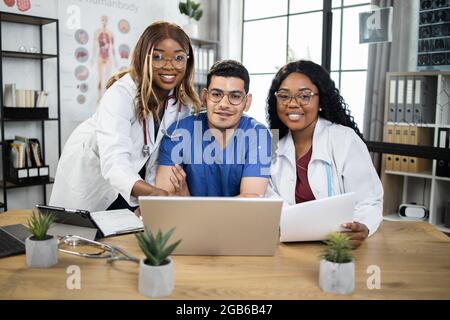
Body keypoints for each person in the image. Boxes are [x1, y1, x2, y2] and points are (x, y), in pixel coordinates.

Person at [50, 21, 201, 213]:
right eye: (158, 57)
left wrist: (151, 198)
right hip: (93, 173)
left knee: (125, 233)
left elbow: (156, 158)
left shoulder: (180, 106)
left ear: (187, 62)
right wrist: (153, 194)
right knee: (83, 233)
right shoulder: (121, 94)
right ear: (143, 57)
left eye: (179, 57)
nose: (169, 65)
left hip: (133, 176)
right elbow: (114, 162)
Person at [266, 60, 383, 248]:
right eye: (284, 96)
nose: (292, 104)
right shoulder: (270, 142)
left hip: (338, 247)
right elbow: (267, 197)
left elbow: (369, 201)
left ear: (321, 101)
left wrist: (363, 227)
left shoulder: (344, 140)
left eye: (304, 96)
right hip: (288, 247)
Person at [155, 60, 271, 197]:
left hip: (237, 219)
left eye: (235, 96)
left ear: (247, 102)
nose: (224, 104)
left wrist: (188, 199)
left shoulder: (259, 135)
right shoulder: (177, 132)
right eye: (216, 94)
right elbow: (165, 197)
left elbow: (251, 200)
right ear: (205, 97)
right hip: (188, 219)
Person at [92, 15, 118, 100]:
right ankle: (99, 97)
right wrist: (92, 58)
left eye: (105, 20)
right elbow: (95, 46)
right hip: (100, 56)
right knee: (100, 78)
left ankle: (106, 98)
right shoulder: (97, 32)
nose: (104, 22)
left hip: (108, 57)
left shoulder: (110, 33)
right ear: (101, 21)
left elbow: (113, 47)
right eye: (102, 20)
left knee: (107, 78)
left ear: (107, 21)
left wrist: (115, 60)